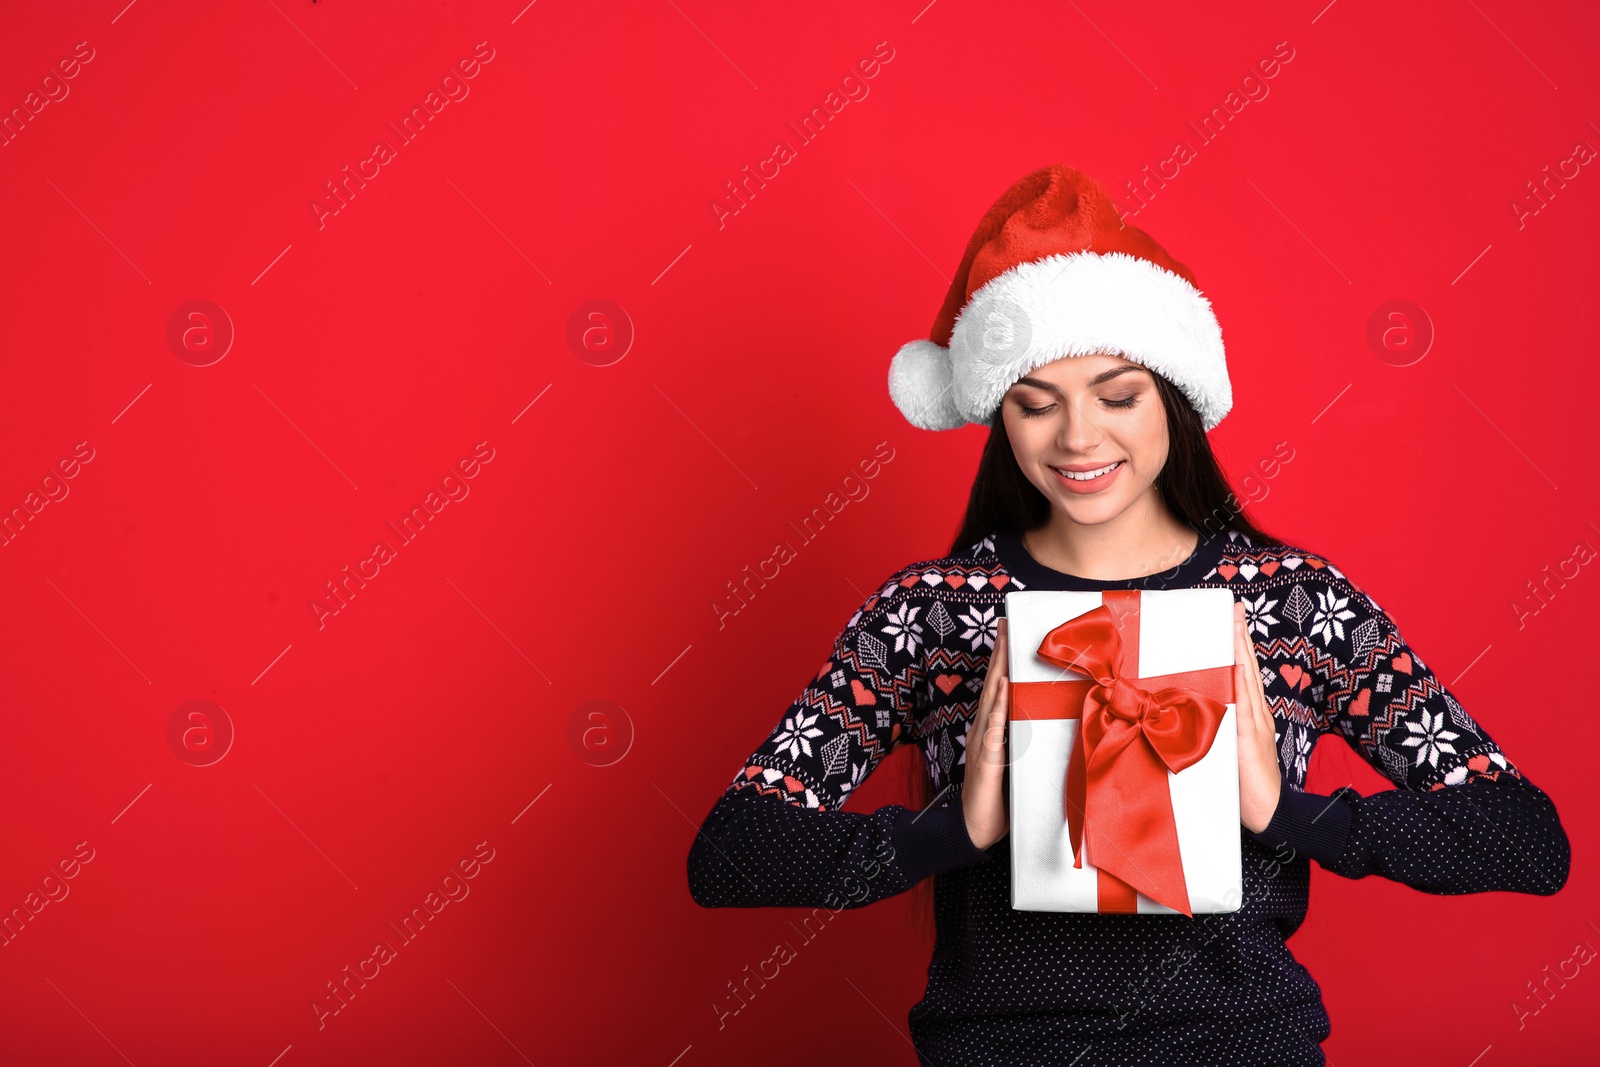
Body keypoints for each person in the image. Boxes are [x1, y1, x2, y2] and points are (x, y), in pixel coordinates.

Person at [684, 164, 1570, 1066]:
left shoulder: (1296, 605)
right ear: (999, 415)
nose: (1077, 438)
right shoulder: (931, 617)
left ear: (1175, 400)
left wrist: (1288, 814)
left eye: (1117, 396)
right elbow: (728, 853)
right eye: (1036, 404)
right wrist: (955, 829)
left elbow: (1528, 839)